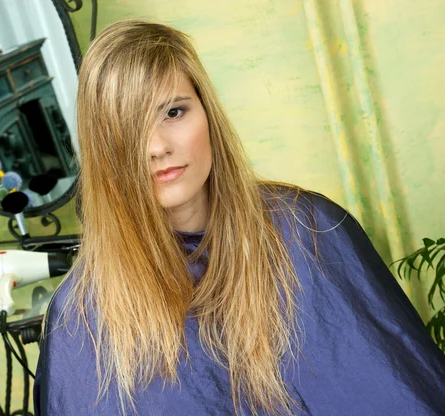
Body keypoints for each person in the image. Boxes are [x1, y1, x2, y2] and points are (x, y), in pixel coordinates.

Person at [33, 20, 445, 415]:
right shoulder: (81, 316)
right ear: (104, 149)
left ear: (207, 113)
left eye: (173, 112)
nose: (157, 146)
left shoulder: (308, 229)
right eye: (129, 127)